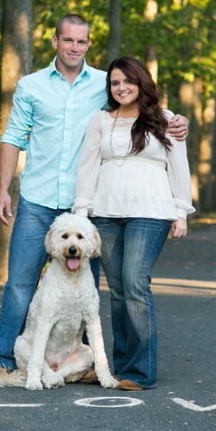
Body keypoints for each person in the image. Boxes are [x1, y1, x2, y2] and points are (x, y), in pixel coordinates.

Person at [0, 15, 188, 383]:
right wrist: (3, 188)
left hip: (86, 208)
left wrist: (176, 120)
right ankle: (3, 360)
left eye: (82, 42)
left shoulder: (104, 84)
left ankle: (86, 363)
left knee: (91, 288)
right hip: (41, 200)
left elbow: (143, 112)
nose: (75, 47)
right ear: (55, 41)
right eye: (68, 40)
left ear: (89, 44)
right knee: (21, 284)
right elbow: (12, 137)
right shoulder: (32, 86)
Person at [72, 56, 195, 391]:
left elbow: (178, 166)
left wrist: (180, 211)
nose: (121, 87)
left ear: (141, 83)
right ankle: (122, 367)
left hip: (151, 211)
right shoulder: (100, 120)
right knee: (117, 290)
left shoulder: (166, 120)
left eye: (128, 81)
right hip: (106, 213)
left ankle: (141, 371)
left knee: (135, 283)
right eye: (115, 82)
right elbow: (87, 166)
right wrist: (82, 213)